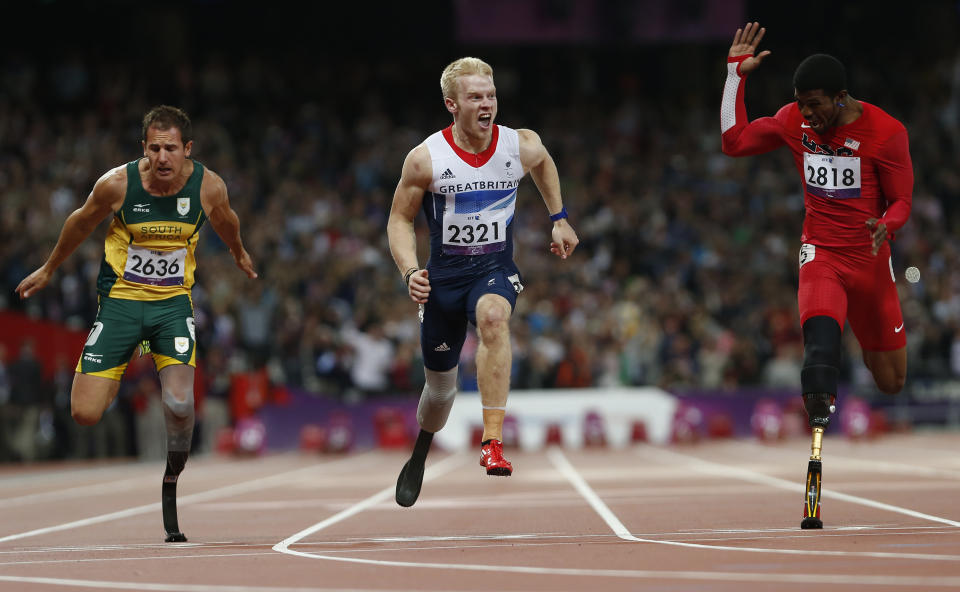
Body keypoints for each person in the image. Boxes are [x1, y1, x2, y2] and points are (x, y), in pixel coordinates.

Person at [16, 105, 257, 541]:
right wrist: (50, 268)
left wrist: (238, 253)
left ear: (188, 150)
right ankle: (116, 369)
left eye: (171, 149)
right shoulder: (117, 185)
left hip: (172, 306)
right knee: (85, 413)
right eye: (154, 148)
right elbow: (81, 221)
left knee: (181, 406)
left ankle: (171, 478)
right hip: (121, 305)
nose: (162, 158)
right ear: (143, 149)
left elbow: (227, 222)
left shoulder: (209, 187)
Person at [720, 24, 913, 528]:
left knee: (891, 381)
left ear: (842, 98)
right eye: (800, 104)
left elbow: (903, 201)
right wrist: (733, 78)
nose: (807, 114)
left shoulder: (887, 132)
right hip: (821, 254)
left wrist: (885, 225)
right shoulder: (793, 123)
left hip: (871, 264)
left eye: (816, 105)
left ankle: (863, 353)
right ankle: (819, 428)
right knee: (820, 353)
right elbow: (733, 141)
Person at [387, 57, 579, 507]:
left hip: (493, 270)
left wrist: (559, 218)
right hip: (443, 284)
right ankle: (421, 451)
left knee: (494, 317)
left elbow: (544, 164)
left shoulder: (520, 144)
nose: (487, 104)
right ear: (452, 105)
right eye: (475, 97)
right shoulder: (425, 158)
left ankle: (492, 441)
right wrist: (410, 271)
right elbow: (399, 219)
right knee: (439, 394)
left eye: (490, 95)